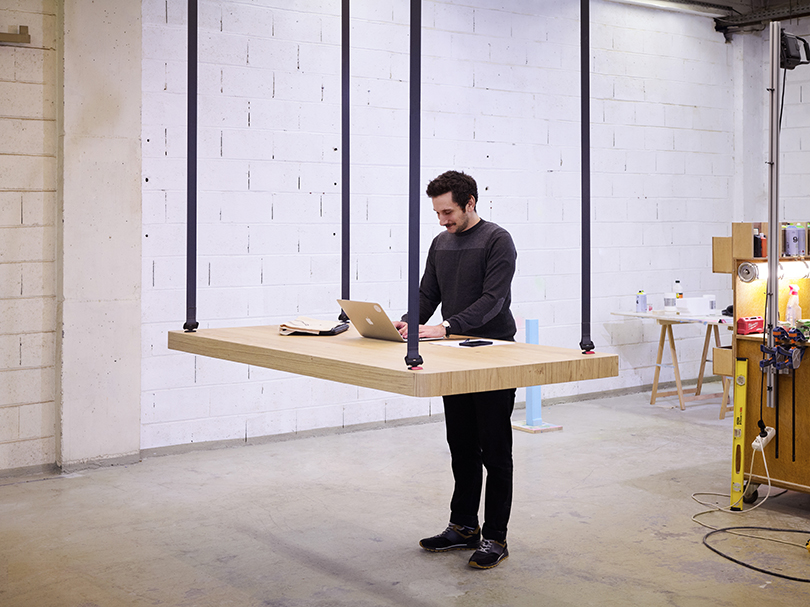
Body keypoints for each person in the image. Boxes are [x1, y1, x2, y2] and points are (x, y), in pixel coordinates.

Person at [394, 170, 517, 570]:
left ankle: (495, 537)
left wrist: (446, 327)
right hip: (455, 354)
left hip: (494, 355)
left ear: (470, 203)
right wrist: (408, 323)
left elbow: (492, 300)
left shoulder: (497, 240)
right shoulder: (440, 243)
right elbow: (427, 293)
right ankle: (464, 526)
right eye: (437, 213)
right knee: (461, 444)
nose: (441, 220)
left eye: (447, 212)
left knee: (494, 450)